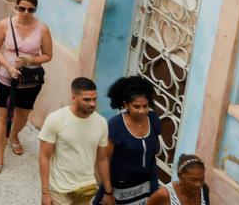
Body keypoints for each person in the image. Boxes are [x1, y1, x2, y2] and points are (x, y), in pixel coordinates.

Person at [0, 0, 51, 175]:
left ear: (35, 10)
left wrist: (30, 60)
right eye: (22, 8)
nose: (25, 13)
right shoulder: (5, 24)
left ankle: (14, 135)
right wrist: (8, 66)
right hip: (7, 77)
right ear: (16, 7)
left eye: (30, 10)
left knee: (23, 115)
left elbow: (48, 55)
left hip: (30, 80)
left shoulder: (42, 28)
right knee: (4, 116)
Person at [39, 77, 110, 205]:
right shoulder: (56, 119)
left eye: (94, 99)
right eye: (87, 100)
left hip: (86, 188)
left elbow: (102, 159)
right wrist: (45, 192)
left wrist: (108, 191)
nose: (92, 104)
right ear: (73, 97)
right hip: (59, 189)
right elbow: (44, 156)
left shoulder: (102, 123)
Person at [101, 76, 163, 205]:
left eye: (145, 106)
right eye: (136, 106)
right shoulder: (115, 125)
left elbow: (151, 152)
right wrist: (107, 191)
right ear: (126, 104)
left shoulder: (153, 119)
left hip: (147, 185)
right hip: (120, 187)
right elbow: (104, 160)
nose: (142, 111)